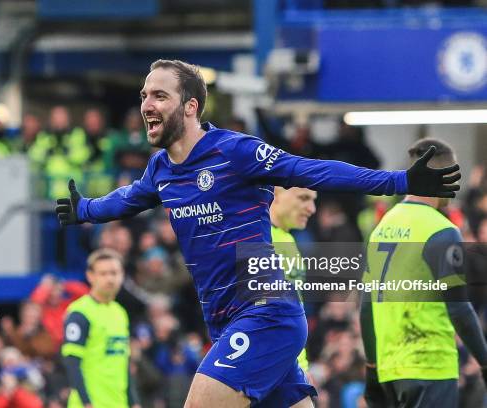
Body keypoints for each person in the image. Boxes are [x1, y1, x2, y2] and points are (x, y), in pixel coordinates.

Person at [55, 59, 460, 407]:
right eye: (144, 96)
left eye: (159, 96)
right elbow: (127, 199)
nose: (146, 105)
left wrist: (399, 181)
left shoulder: (234, 152)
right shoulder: (160, 170)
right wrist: (85, 209)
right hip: (228, 322)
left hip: (265, 312)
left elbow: (313, 170)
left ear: (191, 106)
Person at [360, 138, 487, 408]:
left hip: (390, 369)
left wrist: (372, 368)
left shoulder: (382, 227)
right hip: (429, 365)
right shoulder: (440, 229)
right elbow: (459, 308)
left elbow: (366, 307)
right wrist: (485, 361)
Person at [61, 249, 140, 408]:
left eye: (114, 273)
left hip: (119, 403)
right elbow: (72, 362)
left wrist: (134, 402)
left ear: (122, 275)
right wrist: (86, 403)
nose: (110, 279)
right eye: (103, 273)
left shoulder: (120, 313)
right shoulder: (80, 312)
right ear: (90, 276)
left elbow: (124, 363)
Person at [270, 187, 317, 374]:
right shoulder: (260, 238)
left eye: (313, 200)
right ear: (276, 193)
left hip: (293, 364)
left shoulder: (287, 239)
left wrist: (302, 365)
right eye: (304, 198)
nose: (311, 208)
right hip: (274, 365)